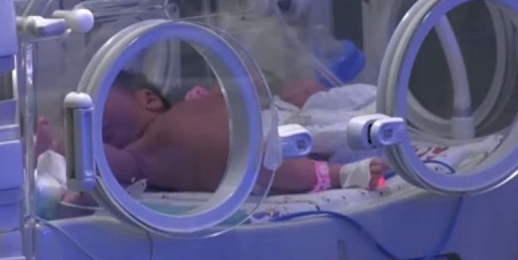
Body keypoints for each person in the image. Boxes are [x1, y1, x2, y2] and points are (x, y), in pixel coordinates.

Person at [35, 72, 388, 197]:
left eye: (94, 106)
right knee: (268, 161)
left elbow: (245, 83)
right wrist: (54, 152)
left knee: (349, 109)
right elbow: (95, 160)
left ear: (149, 99)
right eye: (78, 118)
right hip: (257, 158)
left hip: (276, 121)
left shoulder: (186, 109)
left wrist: (269, 88)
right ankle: (343, 174)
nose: (87, 118)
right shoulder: (142, 155)